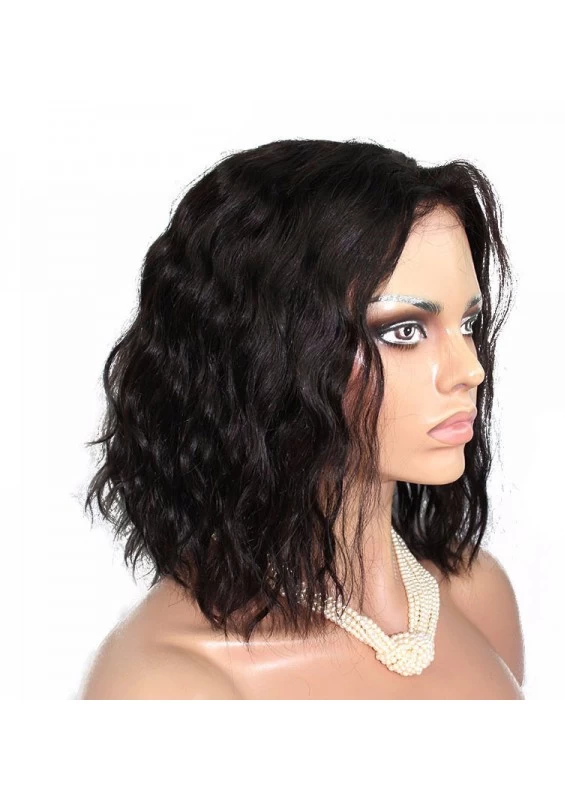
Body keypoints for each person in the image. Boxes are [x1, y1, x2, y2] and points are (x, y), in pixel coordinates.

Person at [78, 139, 525, 699]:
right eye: (405, 331)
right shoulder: (169, 684)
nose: (470, 370)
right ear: (270, 353)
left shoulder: (479, 597)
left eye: (467, 325)